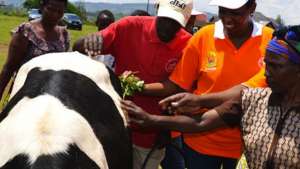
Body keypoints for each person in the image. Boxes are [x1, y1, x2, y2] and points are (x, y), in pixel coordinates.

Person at [122, 0, 274, 168]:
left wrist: (199, 100)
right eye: (223, 10)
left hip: (248, 141)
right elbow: (177, 84)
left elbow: (250, 90)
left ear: (252, 8)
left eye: (235, 13)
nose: (227, 18)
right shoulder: (203, 37)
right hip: (201, 138)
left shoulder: (270, 40)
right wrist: (139, 86)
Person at [72, 0, 193, 169]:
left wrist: (138, 86)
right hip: (114, 126)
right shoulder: (129, 27)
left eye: (175, 23)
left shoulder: (188, 45)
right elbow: (79, 48)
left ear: (186, 21)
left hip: (151, 132)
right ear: (157, 9)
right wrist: (88, 42)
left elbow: (175, 86)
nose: (168, 27)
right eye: (165, 19)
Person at [0, 0, 69, 104]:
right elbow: (9, 68)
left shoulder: (63, 34)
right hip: (23, 95)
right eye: (51, 9)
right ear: (42, 7)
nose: (55, 14)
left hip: (51, 98)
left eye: (60, 11)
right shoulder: (26, 31)